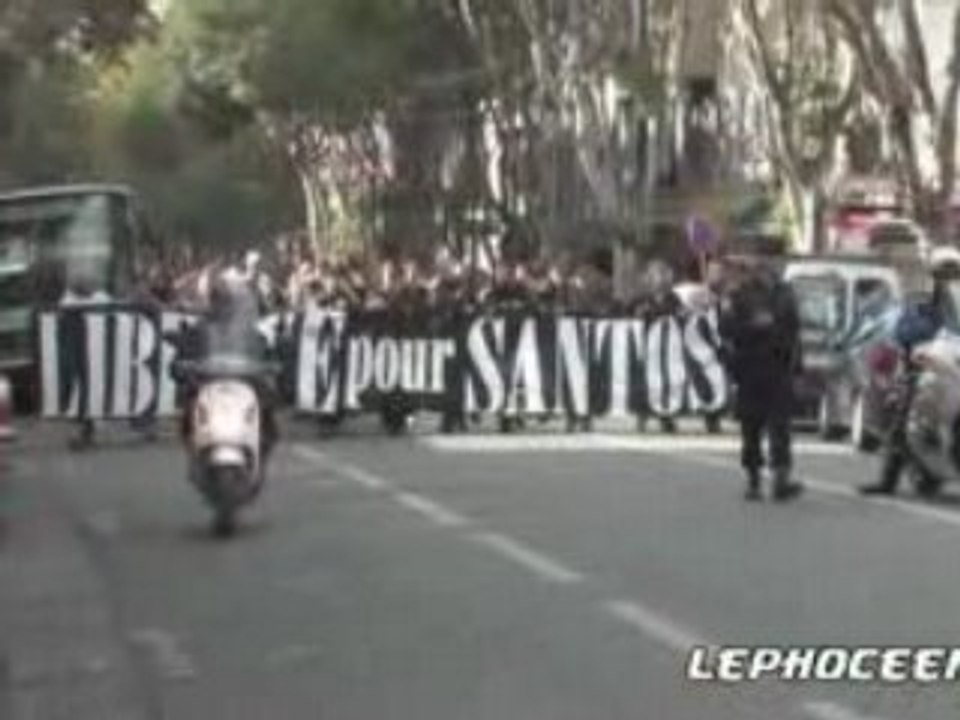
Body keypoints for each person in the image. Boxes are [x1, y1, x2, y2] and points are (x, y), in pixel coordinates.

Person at [859, 246, 960, 495]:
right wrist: (924, 337)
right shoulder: (922, 299)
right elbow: (906, 329)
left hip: (952, 361)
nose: (949, 275)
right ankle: (888, 479)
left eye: (953, 270)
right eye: (944, 270)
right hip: (924, 363)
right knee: (901, 416)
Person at [720, 258, 804, 502]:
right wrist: (754, 326)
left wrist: (798, 370)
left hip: (779, 368)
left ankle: (781, 479)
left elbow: (794, 333)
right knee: (751, 428)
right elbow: (726, 329)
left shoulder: (786, 295)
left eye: (770, 265)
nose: (766, 270)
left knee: (780, 427)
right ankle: (754, 480)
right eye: (760, 266)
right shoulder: (739, 296)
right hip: (750, 370)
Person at [173, 273, 279, 464]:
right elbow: (182, 354)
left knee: (267, 400)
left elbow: (263, 348)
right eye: (218, 299)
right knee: (189, 402)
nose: (222, 304)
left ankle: (262, 447)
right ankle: (193, 449)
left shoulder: (247, 329)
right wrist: (182, 367)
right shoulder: (200, 327)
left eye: (225, 300)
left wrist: (269, 364)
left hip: (241, 380)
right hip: (208, 381)